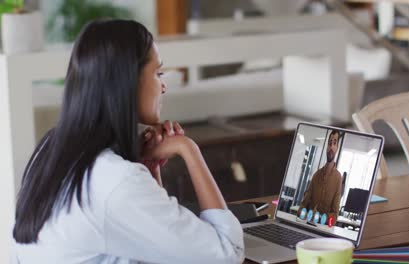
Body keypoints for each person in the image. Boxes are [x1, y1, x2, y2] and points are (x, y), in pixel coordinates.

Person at [12, 19, 244, 264]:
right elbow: (227, 253)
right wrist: (189, 150)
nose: (163, 86)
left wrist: (150, 169)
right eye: (158, 73)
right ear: (127, 82)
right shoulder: (115, 179)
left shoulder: (51, 149)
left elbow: (159, 247)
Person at [299, 130, 342, 224]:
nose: (331, 147)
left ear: (337, 148)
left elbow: (334, 216)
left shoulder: (338, 178)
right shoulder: (316, 175)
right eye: (330, 143)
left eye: (334, 143)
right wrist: (303, 213)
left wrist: (319, 218)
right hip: (307, 224)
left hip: (322, 228)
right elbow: (302, 206)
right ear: (326, 147)